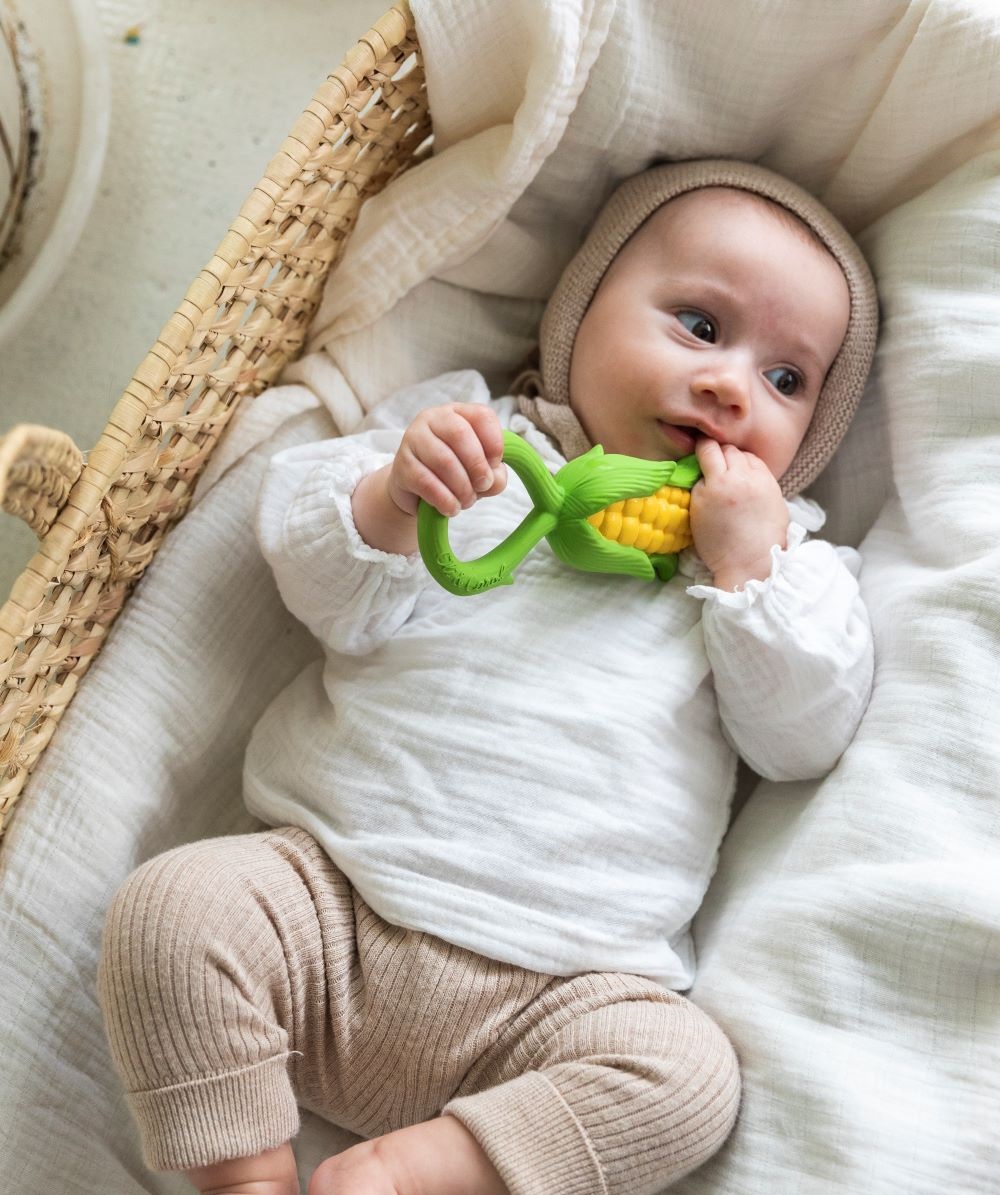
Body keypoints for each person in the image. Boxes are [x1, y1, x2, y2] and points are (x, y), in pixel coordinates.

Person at [97, 159, 878, 1195]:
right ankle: (247, 1175)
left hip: (559, 996)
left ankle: (412, 1172)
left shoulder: (785, 567)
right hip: (327, 906)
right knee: (171, 910)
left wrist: (747, 569)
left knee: (690, 1080)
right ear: (578, 316)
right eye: (698, 325)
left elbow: (803, 737)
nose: (733, 385)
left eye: (787, 380)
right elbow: (315, 576)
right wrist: (389, 497)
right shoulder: (476, 446)